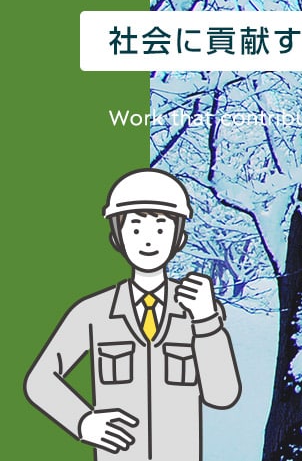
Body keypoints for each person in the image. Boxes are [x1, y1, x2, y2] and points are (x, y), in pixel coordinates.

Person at [25, 169, 240, 460]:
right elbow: (40, 379)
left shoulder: (199, 308)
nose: (149, 241)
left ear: (179, 239)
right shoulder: (92, 313)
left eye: (161, 229)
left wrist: (206, 323)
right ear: (117, 238)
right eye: (136, 229)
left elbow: (222, 396)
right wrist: (82, 421)